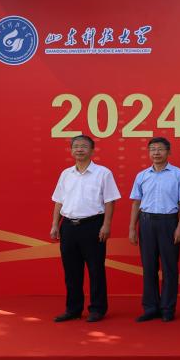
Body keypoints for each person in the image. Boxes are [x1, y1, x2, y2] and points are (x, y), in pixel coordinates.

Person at [49, 134, 121, 323]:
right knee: (71, 271)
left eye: (83, 146)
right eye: (76, 146)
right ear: (71, 150)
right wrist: (55, 224)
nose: (79, 149)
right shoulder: (66, 174)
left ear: (92, 150)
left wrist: (106, 225)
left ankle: (97, 309)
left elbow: (110, 201)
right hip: (68, 226)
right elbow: (58, 201)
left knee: (96, 269)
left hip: (93, 225)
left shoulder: (103, 173)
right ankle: (73, 309)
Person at [129, 136, 180, 322]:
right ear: (149, 153)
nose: (156, 153)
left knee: (170, 267)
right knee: (149, 267)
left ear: (168, 152)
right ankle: (150, 307)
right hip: (146, 222)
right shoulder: (142, 175)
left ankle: (167, 308)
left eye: (160, 149)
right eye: (153, 149)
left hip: (168, 222)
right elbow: (136, 202)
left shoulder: (179, 174)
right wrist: (132, 227)